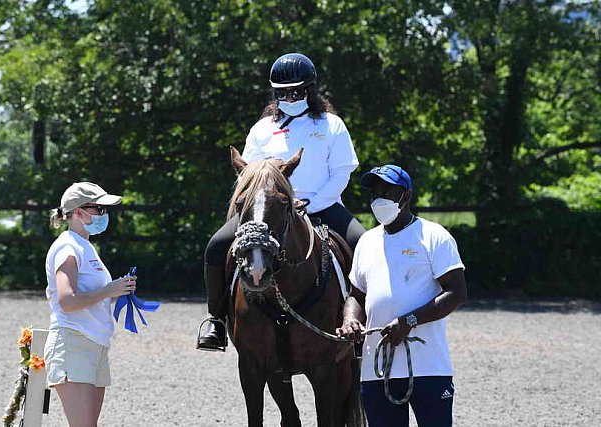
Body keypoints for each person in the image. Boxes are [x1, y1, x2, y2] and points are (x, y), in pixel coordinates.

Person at [197, 52, 366, 351]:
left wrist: (309, 206)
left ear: (310, 90)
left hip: (323, 206)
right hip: (266, 211)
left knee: (365, 245)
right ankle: (217, 320)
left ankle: (362, 321)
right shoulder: (262, 129)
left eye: (296, 91)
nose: (289, 97)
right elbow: (248, 173)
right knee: (216, 246)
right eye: (282, 92)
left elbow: (342, 172)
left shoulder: (332, 124)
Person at [336, 165, 467, 427]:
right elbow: (356, 295)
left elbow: (456, 292)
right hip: (377, 369)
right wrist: (350, 319)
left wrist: (410, 321)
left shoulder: (434, 236)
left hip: (428, 367)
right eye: (375, 192)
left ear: (406, 196)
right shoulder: (367, 242)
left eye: (387, 191)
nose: (379, 198)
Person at [43, 182, 137, 426]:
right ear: (78, 212)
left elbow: (93, 296)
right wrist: (109, 289)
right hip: (73, 343)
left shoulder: (85, 247)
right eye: (99, 209)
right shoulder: (67, 247)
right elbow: (67, 301)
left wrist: (119, 291)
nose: (103, 215)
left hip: (95, 345)